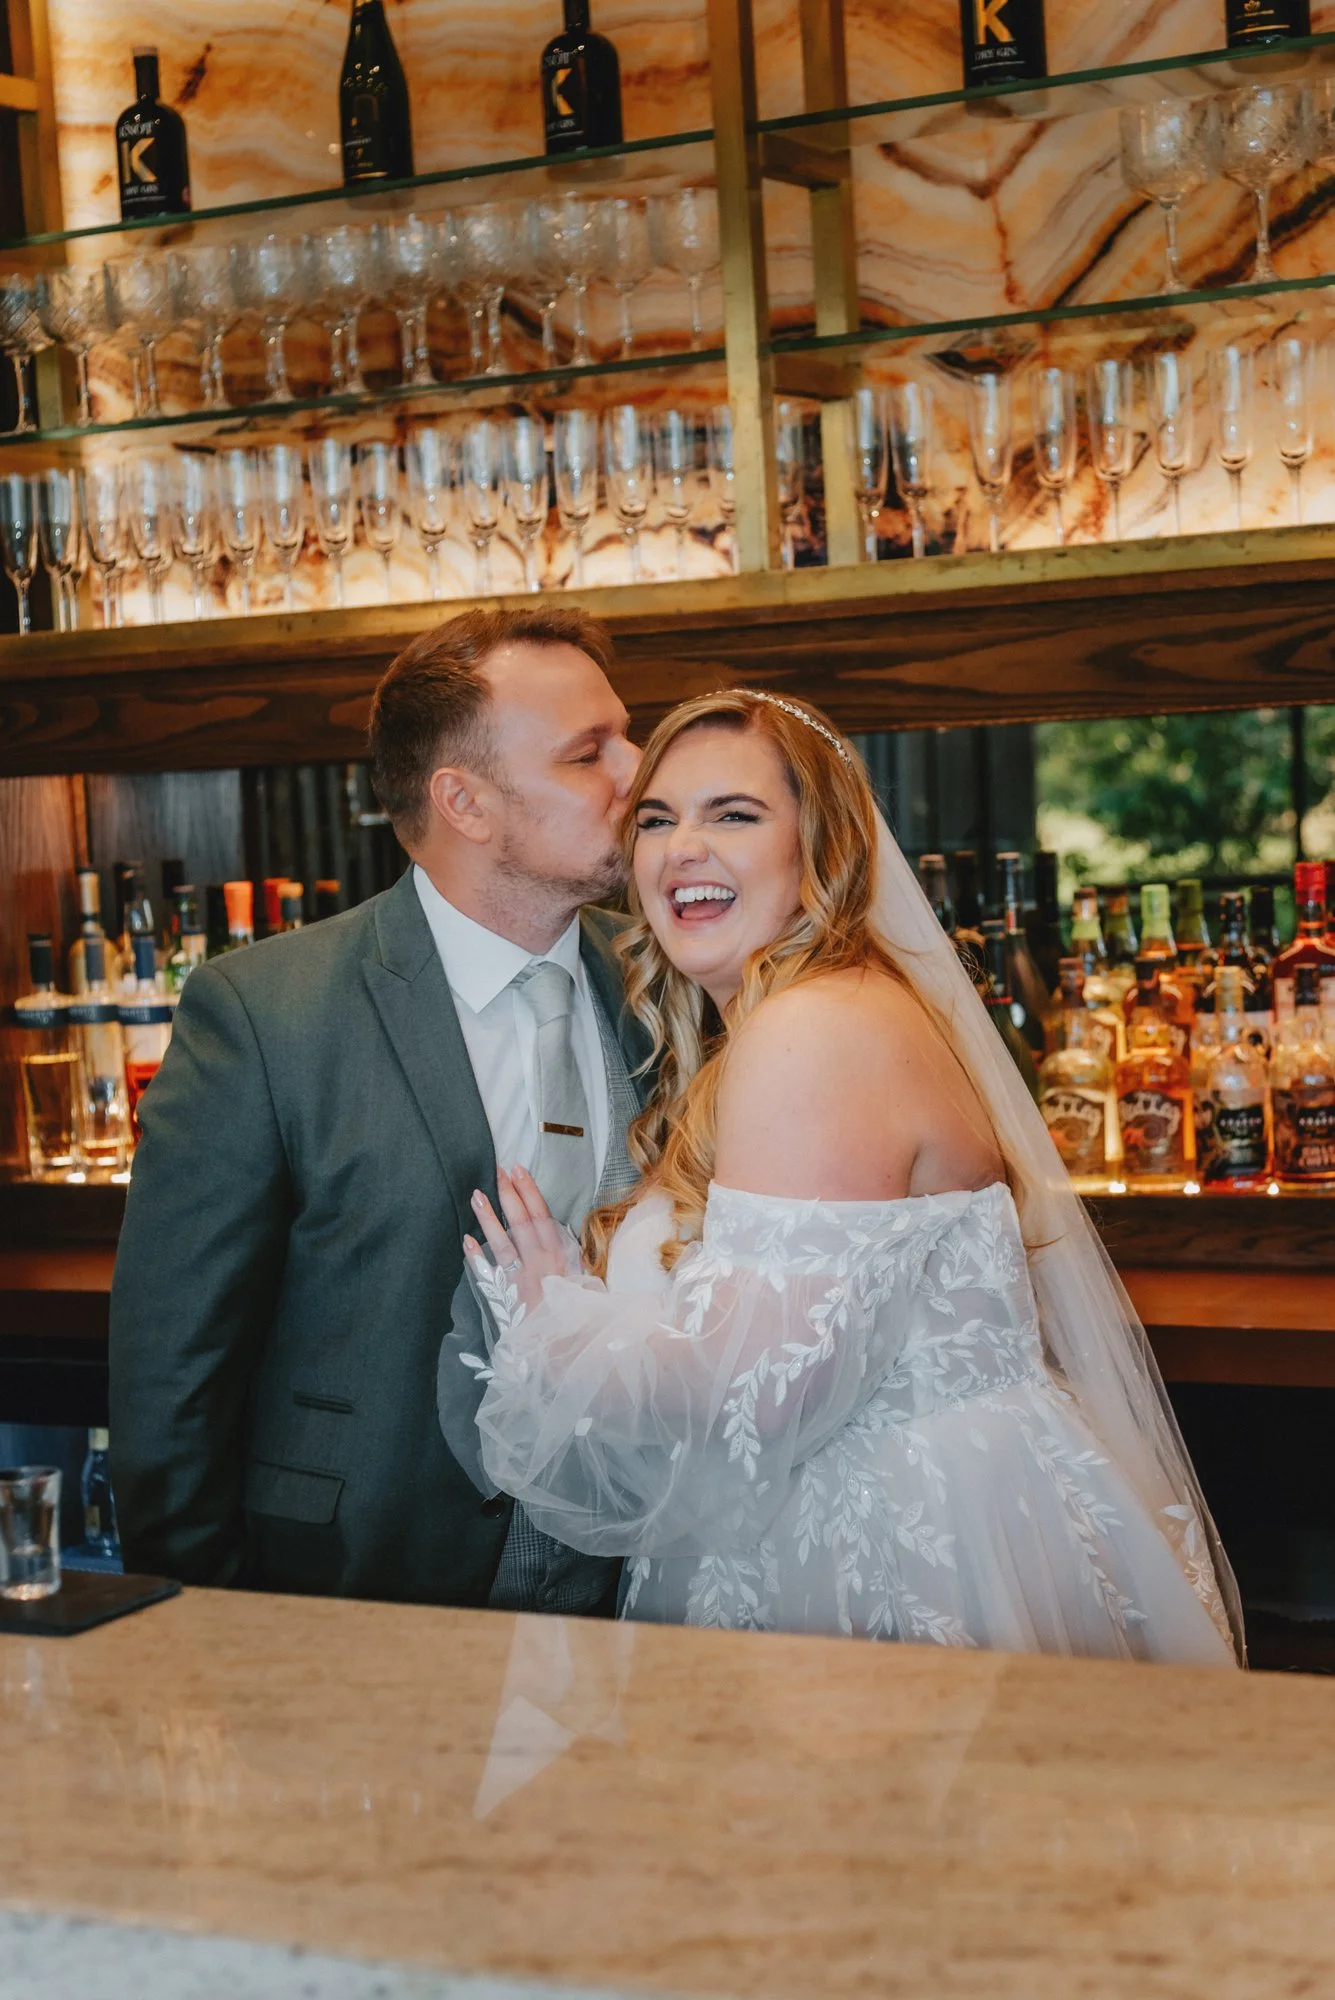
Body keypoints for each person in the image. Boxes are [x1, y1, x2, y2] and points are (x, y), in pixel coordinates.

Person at [461, 689, 1244, 1665]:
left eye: (733, 814)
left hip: (892, 1551)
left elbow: (760, 1393)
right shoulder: (799, 1016)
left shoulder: (814, 1029)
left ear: (819, 847)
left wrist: (558, 1320)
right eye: (657, 818)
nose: (680, 847)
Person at [110, 604, 646, 1612]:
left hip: (637, 1585)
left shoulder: (673, 987)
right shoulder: (267, 1014)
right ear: (466, 802)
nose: (638, 769)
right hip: (356, 1587)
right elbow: (172, 1375)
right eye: (591, 752)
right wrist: (203, 1632)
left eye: (630, 733)